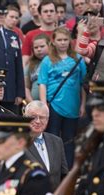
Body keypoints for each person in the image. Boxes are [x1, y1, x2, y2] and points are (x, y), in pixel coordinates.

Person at [39, 27, 86, 167]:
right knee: (52, 138)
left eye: (65, 39)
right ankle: (53, 167)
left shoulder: (78, 59)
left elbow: (83, 84)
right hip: (53, 105)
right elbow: (42, 83)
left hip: (73, 106)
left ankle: (69, 169)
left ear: (71, 41)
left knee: (69, 140)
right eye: (59, 40)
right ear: (53, 41)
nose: (63, 42)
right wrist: (43, 104)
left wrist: (83, 104)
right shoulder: (47, 60)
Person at [22, 0, 57, 66]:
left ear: (55, 14)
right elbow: (24, 61)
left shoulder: (62, 34)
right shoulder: (30, 35)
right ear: (40, 14)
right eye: (45, 11)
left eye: (51, 11)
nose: (49, 14)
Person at [24, 33, 50, 102]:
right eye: (36, 47)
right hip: (35, 104)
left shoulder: (55, 62)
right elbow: (26, 88)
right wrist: (32, 103)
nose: (39, 49)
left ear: (50, 46)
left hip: (53, 103)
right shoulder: (30, 65)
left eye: (42, 46)